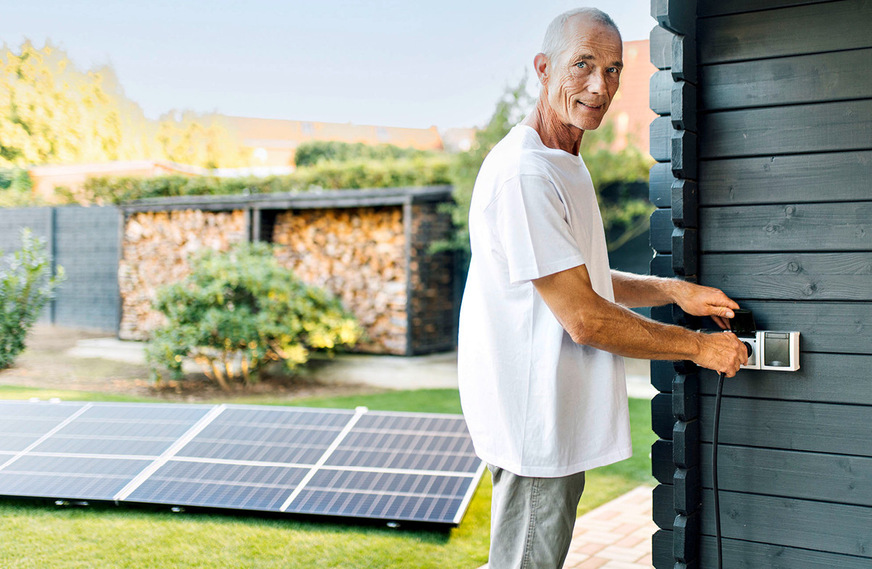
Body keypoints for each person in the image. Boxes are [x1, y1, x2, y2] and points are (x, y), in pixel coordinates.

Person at [457, 8, 749, 568]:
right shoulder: (526, 174)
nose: (600, 86)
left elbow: (581, 278)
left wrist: (673, 290)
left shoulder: (562, 161)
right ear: (543, 69)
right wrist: (699, 347)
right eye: (583, 65)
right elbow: (585, 317)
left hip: (550, 416)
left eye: (613, 70)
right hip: (533, 426)